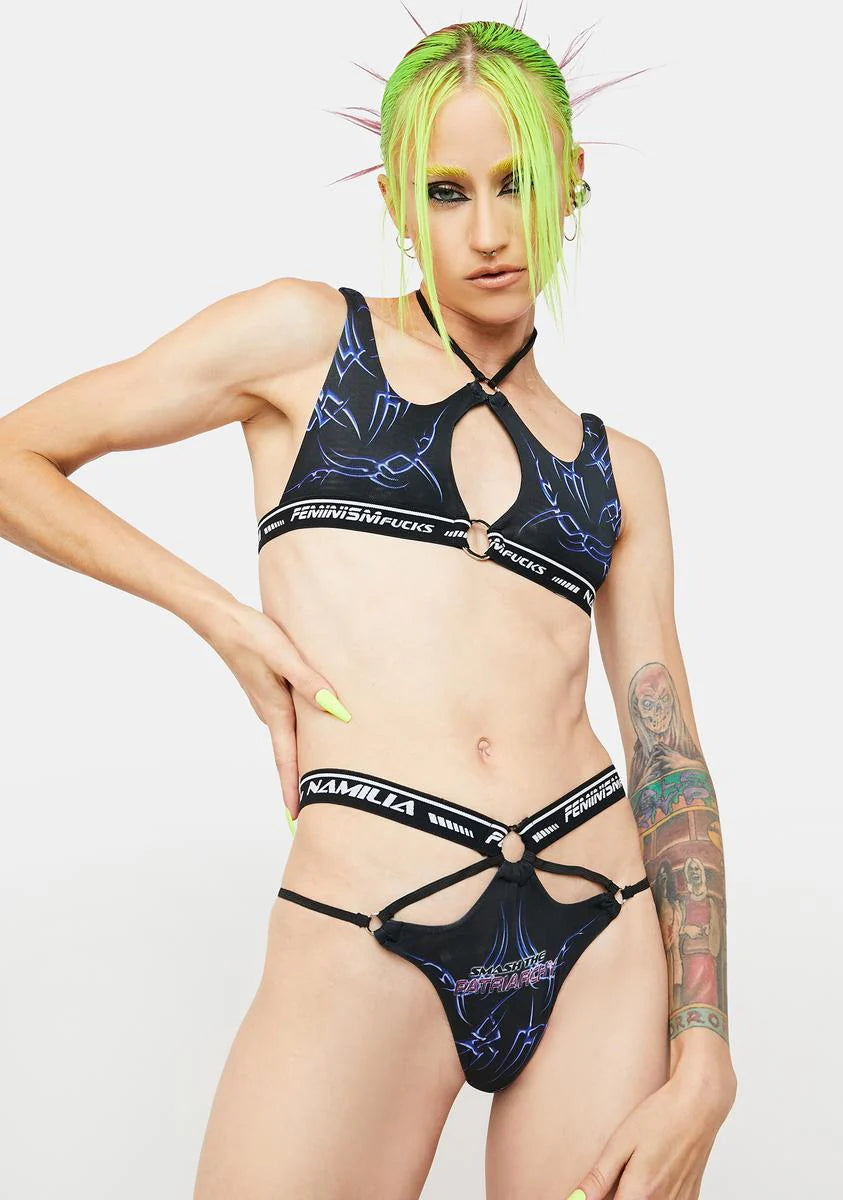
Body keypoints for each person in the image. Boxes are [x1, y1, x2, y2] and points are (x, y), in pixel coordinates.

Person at [0, 17, 737, 1200]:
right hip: (368, 915)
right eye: (447, 191)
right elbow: (15, 460)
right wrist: (223, 620)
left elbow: (670, 761)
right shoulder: (308, 344)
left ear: (570, 185)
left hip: (600, 928)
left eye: (518, 183)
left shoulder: (622, 472)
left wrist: (704, 1057)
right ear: (399, 201)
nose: (488, 231)